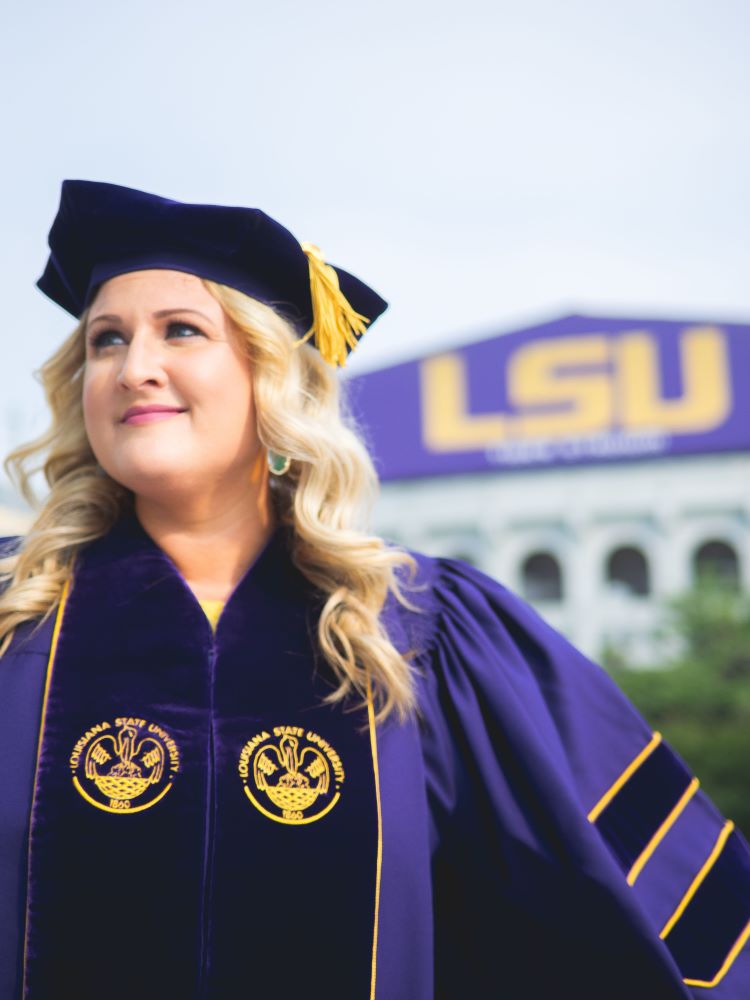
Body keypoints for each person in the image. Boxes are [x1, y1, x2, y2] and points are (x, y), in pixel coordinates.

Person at [0, 179, 748, 1000]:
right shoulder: (16, 614)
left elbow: (633, 895)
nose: (135, 367)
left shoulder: (420, 631)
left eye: (182, 331)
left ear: (271, 377)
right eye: (106, 341)